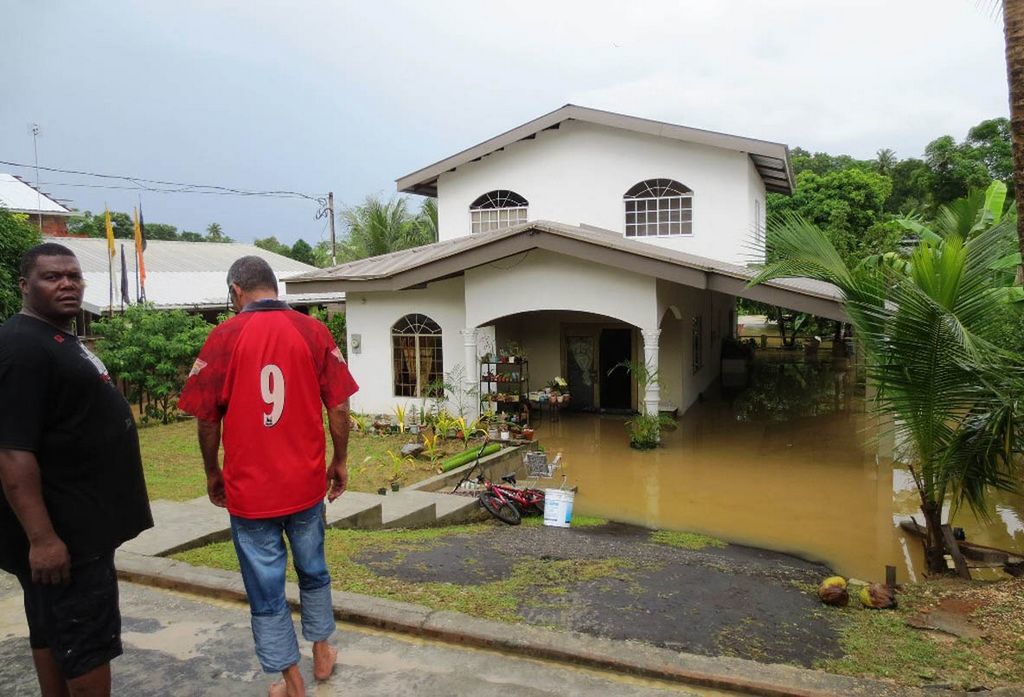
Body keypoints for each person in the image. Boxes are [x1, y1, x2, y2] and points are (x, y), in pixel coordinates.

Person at [178, 255, 357, 697]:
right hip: (305, 486)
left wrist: (211, 471)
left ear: (236, 291)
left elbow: (205, 419)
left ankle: (291, 680)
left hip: (250, 492)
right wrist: (340, 460)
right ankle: (320, 653)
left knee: (265, 587)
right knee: (314, 569)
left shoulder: (223, 336)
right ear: (273, 287)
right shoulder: (313, 331)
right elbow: (338, 406)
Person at [0, 242, 154, 697]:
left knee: (53, 630)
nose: (67, 283)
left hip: (80, 530)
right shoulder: (22, 348)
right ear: (25, 285)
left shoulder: (54, 337)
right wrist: (43, 539)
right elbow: (12, 452)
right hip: (66, 535)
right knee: (85, 639)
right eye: (52, 276)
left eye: (73, 275)